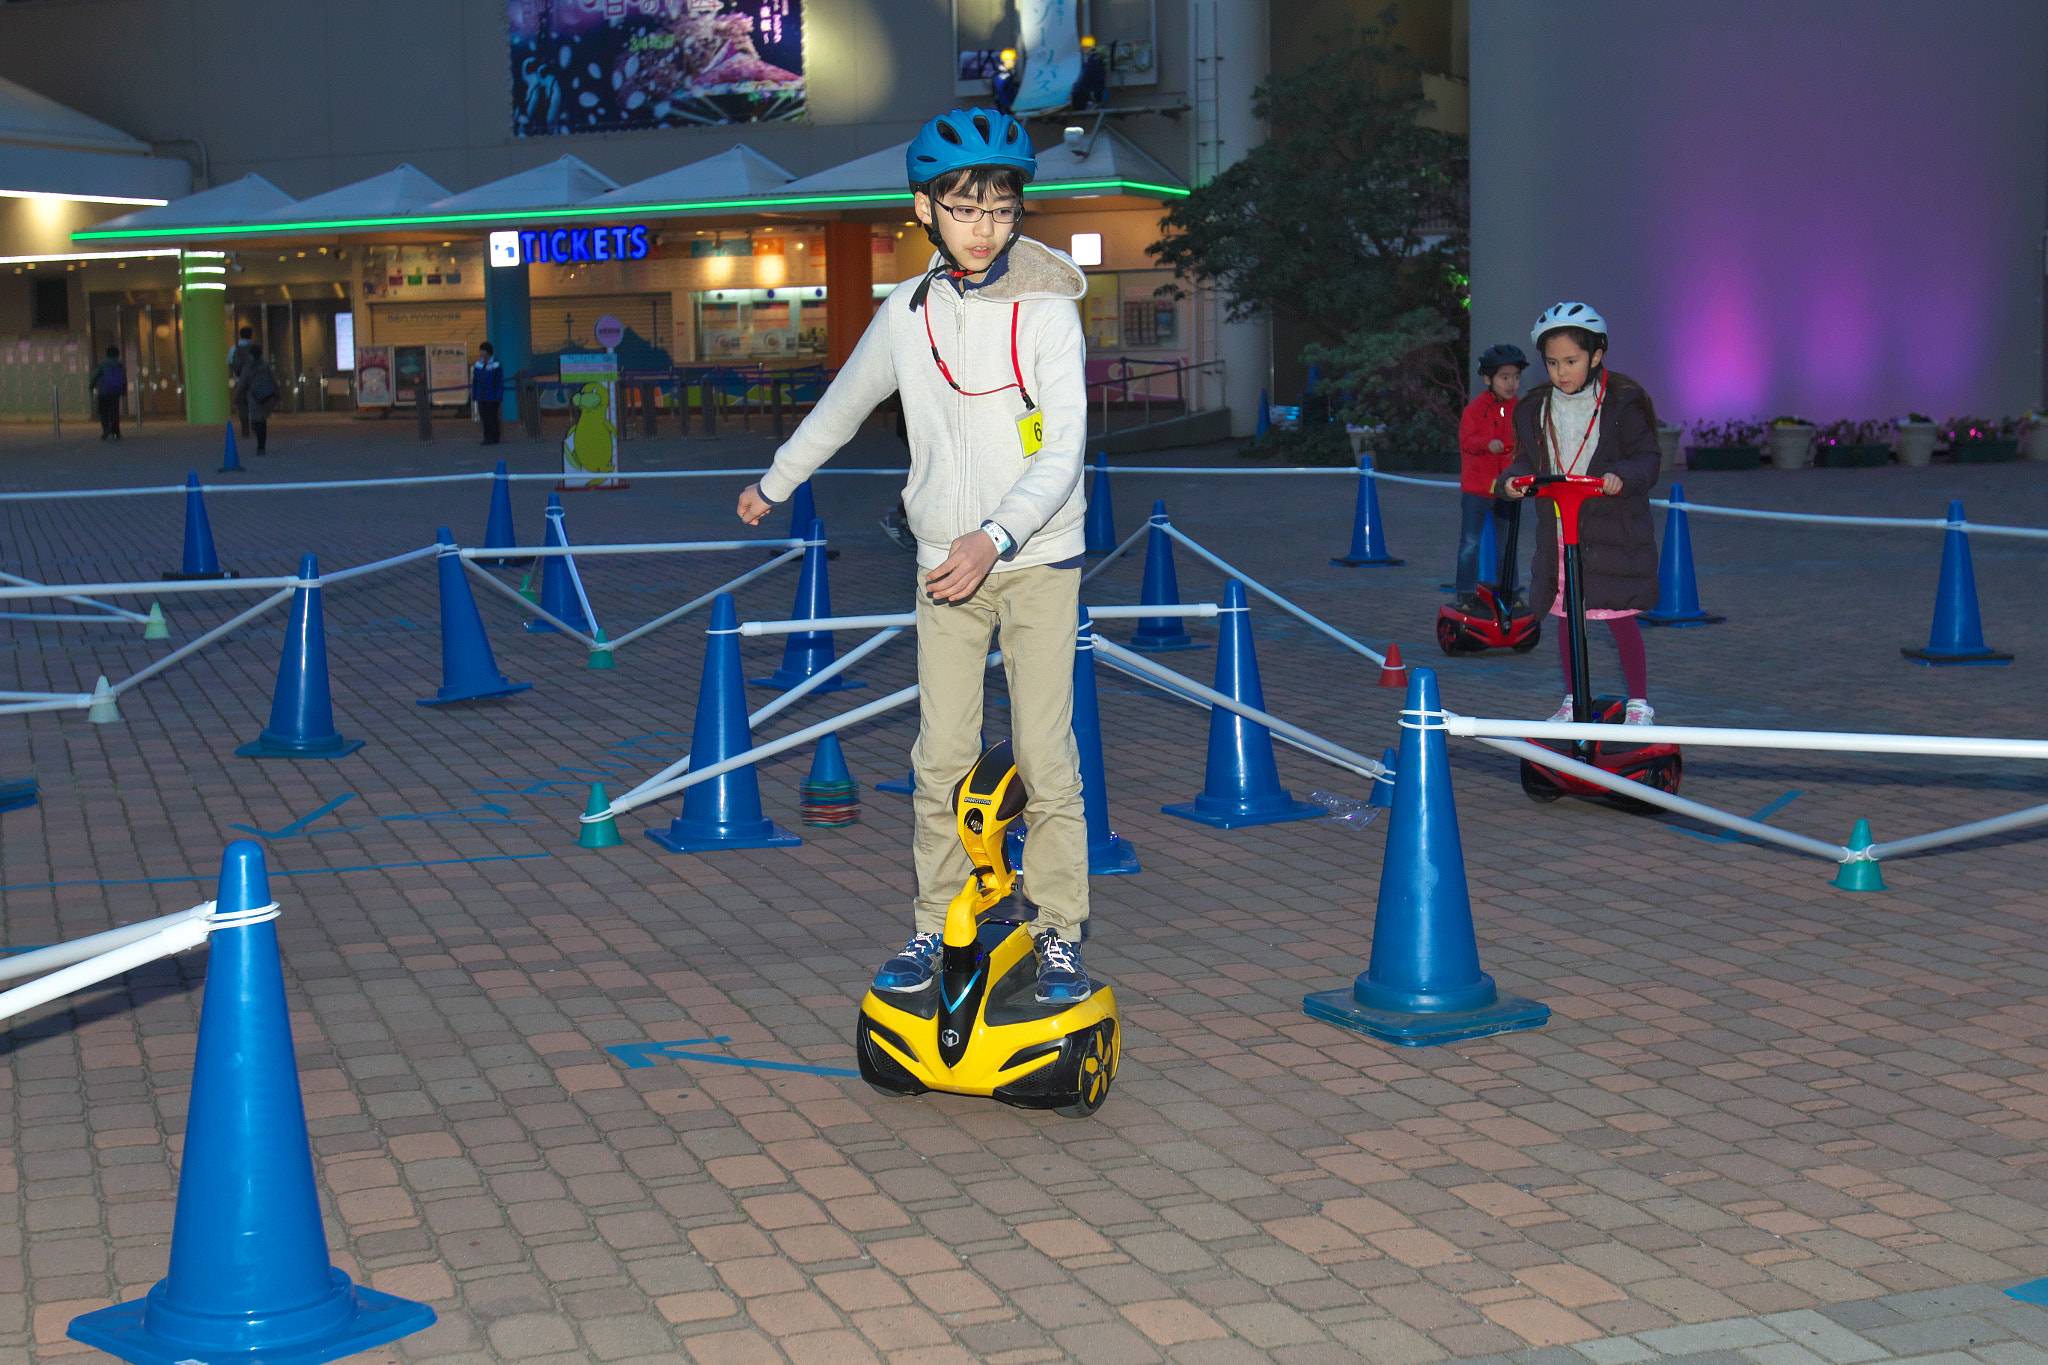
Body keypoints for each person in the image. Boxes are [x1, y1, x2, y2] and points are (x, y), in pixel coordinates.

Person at [736, 109, 1094, 1004]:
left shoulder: (1051, 312)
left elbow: (1063, 450)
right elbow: (843, 405)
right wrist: (776, 482)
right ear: (923, 209)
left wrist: (996, 537)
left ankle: (1056, 929)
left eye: (1001, 209)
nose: (984, 227)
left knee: (1047, 756)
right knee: (940, 755)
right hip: (945, 562)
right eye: (964, 208)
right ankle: (935, 923)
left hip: (1039, 559)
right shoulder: (907, 314)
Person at [1497, 303, 1661, 724]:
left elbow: (1648, 459)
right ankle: (1572, 701)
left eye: (1571, 361)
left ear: (1597, 355)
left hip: (1612, 530)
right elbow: (1526, 461)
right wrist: (1513, 482)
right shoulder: (1534, 408)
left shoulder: (1623, 402)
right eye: (1552, 363)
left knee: (1618, 617)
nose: (1561, 372)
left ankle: (1639, 704)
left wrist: (1620, 475)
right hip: (1559, 529)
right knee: (1567, 619)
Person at [1454, 343, 1526, 609]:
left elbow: (1526, 443)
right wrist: (1487, 443)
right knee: (1470, 542)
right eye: (1505, 377)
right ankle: (1464, 592)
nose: (1512, 383)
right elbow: (1466, 439)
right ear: (1488, 379)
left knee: (1508, 544)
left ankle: (1510, 590)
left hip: (1507, 487)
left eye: (1516, 377)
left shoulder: (1520, 410)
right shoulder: (1474, 410)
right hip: (1478, 487)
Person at [234, 343, 282, 456]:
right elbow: (273, 381)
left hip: (254, 397)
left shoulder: (248, 368)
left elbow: (242, 384)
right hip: (266, 396)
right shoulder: (265, 366)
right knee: (262, 421)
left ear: (251, 355)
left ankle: (259, 442)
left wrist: (237, 397)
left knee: (256, 420)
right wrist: (278, 394)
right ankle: (262, 446)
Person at [88, 345, 127, 441]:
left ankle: (106, 429)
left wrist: (91, 386)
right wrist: (123, 391)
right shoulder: (120, 365)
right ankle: (116, 433)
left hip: (103, 391)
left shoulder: (102, 365)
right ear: (117, 355)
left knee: (104, 412)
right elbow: (123, 379)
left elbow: (95, 376)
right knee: (114, 413)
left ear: (107, 354)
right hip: (115, 392)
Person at [471, 341, 505, 445]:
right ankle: (487, 438)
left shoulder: (496, 364)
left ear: (487, 352)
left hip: (492, 396)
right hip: (481, 396)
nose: (481, 352)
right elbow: (475, 381)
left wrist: (499, 396)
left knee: (492, 418)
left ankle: (494, 438)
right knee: (484, 418)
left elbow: (499, 381)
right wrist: (474, 394)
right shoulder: (478, 364)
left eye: (482, 350)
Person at [227, 326, 256, 436]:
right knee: (253, 404)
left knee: (242, 405)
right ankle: (254, 425)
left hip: (239, 380)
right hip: (253, 381)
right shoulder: (254, 348)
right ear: (250, 335)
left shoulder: (234, 348)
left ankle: (245, 429)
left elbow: (229, 362)